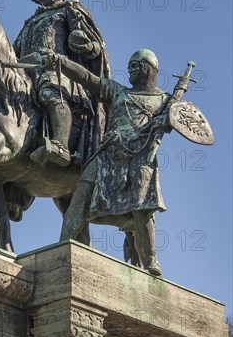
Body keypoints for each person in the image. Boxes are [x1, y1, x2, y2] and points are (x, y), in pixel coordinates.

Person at [41, 49, 182, 276]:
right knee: (78, 200)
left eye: (135, 66)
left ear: (148, 68)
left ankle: (151, 260)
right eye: (129, 67)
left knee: (143, 212)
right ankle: (62, 246)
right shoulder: (118, 92)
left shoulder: (165, 101)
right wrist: (61, 61)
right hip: (107, 155)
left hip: (140, 160)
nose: (130, 71)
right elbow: (88, 79)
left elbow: (181, 121)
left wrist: (165, 122)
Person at [14, 0, 110, 166]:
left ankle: (60, 145)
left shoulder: (69, 10)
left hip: (57, 70)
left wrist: (84, 45)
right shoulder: (30, 22)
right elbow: (13, 51)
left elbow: (95, 47)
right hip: (26, 71)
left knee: (50, 91)